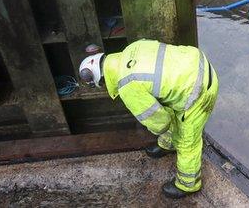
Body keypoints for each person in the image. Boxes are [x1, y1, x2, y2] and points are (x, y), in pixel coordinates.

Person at [79, 39, 218, 199]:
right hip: (196, 63)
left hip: (198, 91)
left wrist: (152, 126)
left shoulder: (128, 86)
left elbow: (161, 123)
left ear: (100, 79)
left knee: (187, 141)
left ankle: (188, 184)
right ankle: (167, 144)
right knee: (167, 105)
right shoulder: (131, 48)